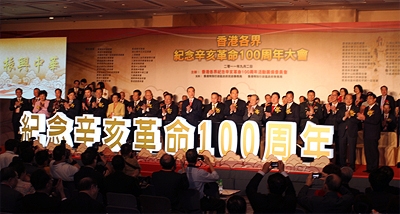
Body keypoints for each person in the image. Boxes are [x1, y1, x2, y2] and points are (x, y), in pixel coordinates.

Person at [185, 149, 225, 214]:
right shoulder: (199, 173)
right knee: (221, 203)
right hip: (199, 202)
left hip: (185, 202)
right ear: (196, 159)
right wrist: (209, 163)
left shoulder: (181, 172)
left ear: (186, 159)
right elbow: (216, 177)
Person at [357, 93, 381, 172]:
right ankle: (369, 167)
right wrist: (361, 118)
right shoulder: (367, 108)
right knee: (367, 151)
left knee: (373, 150)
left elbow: (376, 121)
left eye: (371, 98)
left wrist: (365, 118)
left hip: (373, 133)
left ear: (375, 99)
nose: (369, 100)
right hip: (367, 132)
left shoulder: (377, 108)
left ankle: (374, 168)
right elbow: (365, 120)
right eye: (368, 98)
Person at [337, 94, 360, 170]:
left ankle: (352, 166)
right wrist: (344, 117)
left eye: (350, 99)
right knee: (342, 149)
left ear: (352, 100)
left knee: (352, 149)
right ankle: (342, 165)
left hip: (352, 131)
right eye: (347, 99)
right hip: (342, 131)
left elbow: (358, 121)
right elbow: (337, 119)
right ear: (344, 100)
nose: (348, 100)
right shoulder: (341, 109)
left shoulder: (356, 109)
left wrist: (350, 117)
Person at [324, 90, 345, 165]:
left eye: (334, 95)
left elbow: (342, 117)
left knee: (338, 147)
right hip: (328, 129)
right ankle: (327, 162)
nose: (332, 97)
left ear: (338, 97)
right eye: (331, 95)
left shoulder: (342, 105)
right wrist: (328, 111)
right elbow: (322, 118)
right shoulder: (326, 105)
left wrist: (335, 111)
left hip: (338, 129)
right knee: (327, 147)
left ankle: (338, 164)